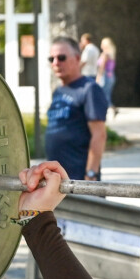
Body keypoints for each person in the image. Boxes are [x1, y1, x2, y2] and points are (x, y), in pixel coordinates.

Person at [45, 35, 109, 182]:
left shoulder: (89, 89)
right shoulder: (58, 91)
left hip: (80, 180)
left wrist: (91, 174)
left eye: (61, 58)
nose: (56, 63)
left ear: (77, 59)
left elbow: (99, 134)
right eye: (51, 59)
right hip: (57, 181)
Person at [99, 36, 119, 117]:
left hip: (105, 76)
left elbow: (102, 67)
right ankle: (112, 109)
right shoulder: (111, 54)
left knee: (103, 94)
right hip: (111, 75)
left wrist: (98, 77)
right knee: (107, 94)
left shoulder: (105, 54)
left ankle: (109, 109)